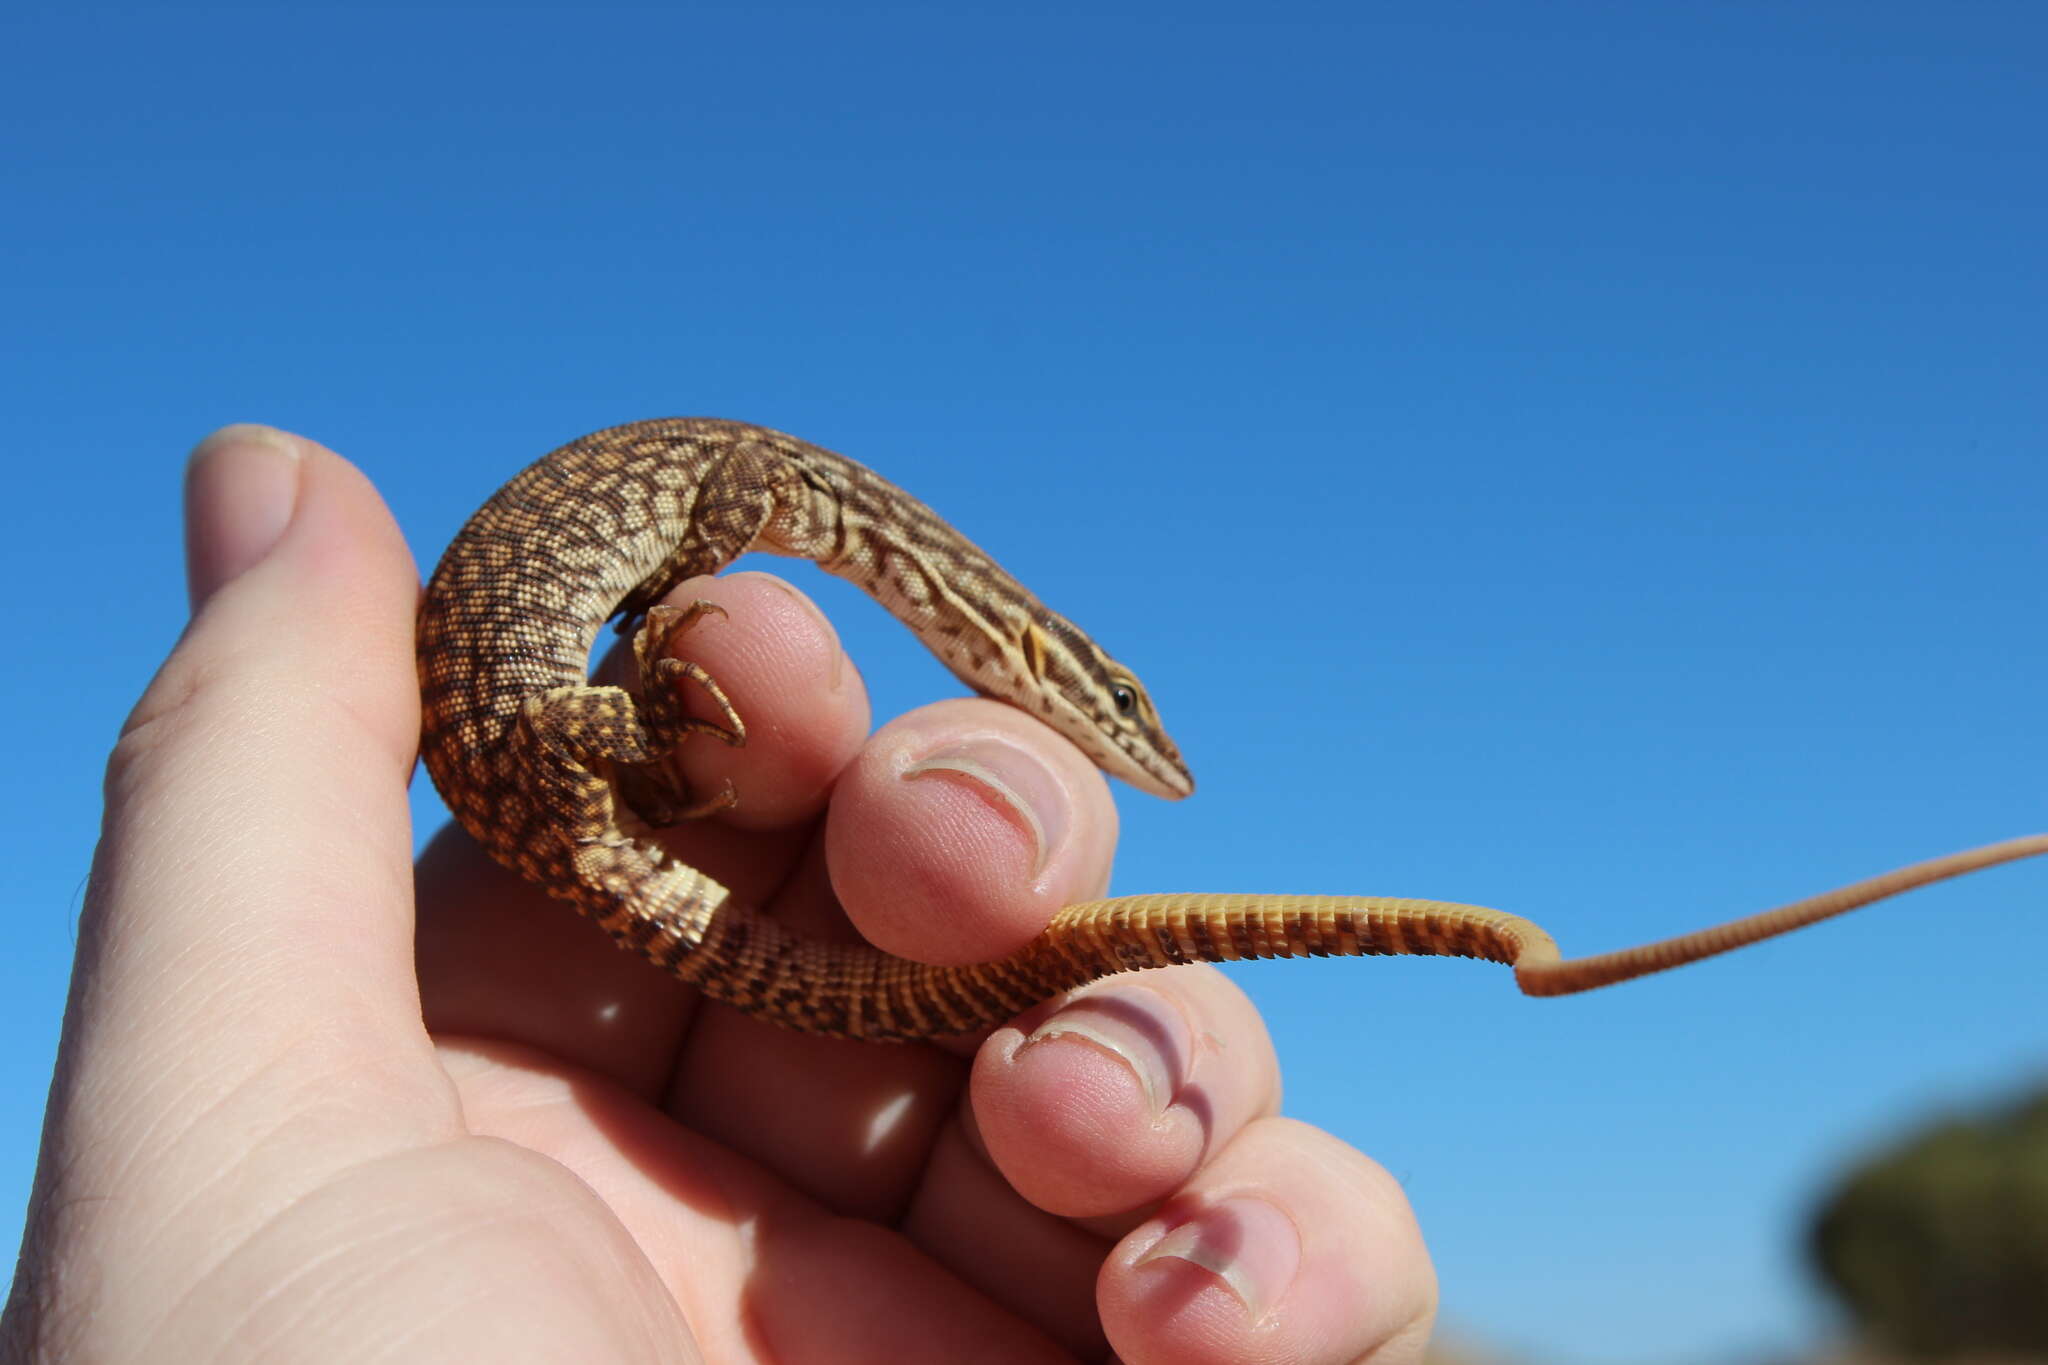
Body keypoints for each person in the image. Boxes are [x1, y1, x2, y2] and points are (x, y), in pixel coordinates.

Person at [3, 426, 1437, 1363]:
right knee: (741, 694)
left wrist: (652, 717)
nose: (1134, 738)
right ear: (1053, 658)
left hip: (564, 795)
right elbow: (736, 506)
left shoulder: (783, 505)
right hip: (542, 754)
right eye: (1120, 704)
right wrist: (658, 657)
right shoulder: (765, 485)